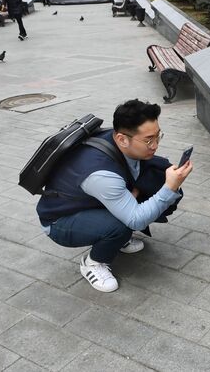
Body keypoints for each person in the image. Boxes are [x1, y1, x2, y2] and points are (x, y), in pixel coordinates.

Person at [36, 99, 193, 292]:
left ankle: (115, 237)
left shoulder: (116, 139)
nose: (155, 145)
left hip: (90, 201)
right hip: (59, 221)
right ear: (121, 139)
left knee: (153, 179)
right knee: (122, 225)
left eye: (158, 136)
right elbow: (136, 220)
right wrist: (169, 187)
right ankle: (94, 263)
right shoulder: (101, 175)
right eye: (148, 140)